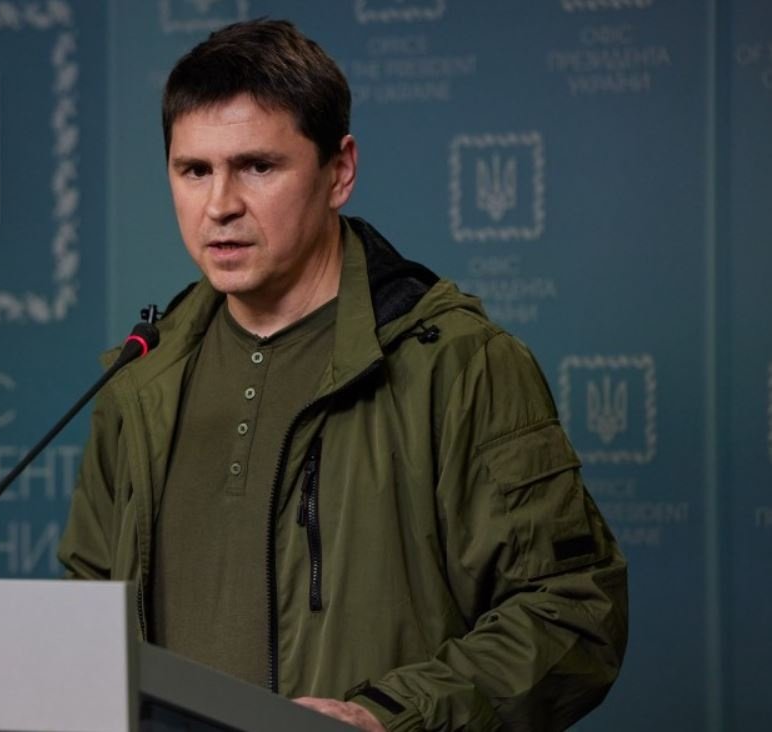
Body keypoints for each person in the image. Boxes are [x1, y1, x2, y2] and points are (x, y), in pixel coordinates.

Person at [58, 19, 627, 731]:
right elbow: (84, 618)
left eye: (257, 167)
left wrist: (386, 718)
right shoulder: (142, 378)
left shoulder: (455, 364)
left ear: (340, 172)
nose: (220, 204)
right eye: (194, 170)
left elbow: (572, 610)